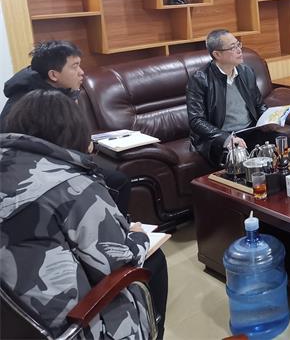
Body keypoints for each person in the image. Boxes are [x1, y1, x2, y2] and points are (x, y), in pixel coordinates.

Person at [1, 89, 168, 339]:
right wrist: (138, 236)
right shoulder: (73, 186)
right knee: (154, 260)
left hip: (15, 320)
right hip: (70, 326)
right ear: (75, 131)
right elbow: (117, 262)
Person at [0, 40, 131, 214]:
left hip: (46, 163)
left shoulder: (55, 91)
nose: (81, 72)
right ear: (54, 75)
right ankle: (115, 228)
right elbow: (56, 149)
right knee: (117, 182)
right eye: (74, 66)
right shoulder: (39, 102)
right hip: (30, 173)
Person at [187, 29, 268, 166]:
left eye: (238, 44)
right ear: (217, 54)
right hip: (219, 137)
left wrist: (270, 119)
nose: (239, 50)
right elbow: (196, 120)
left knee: (280, 143)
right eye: (232, 47)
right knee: (240, 159)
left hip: (249, 130)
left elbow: (259, 105)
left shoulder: (246, 71)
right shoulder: (200, 79)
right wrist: (226, 138)